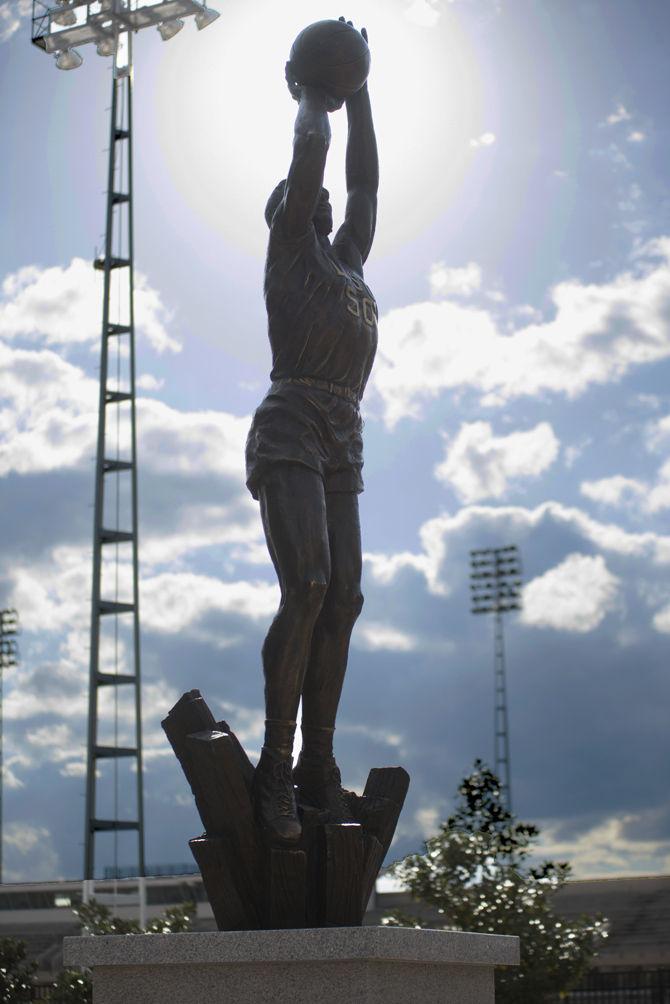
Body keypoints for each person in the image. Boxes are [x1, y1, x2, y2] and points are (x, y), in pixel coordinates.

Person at [246, 20, 379, 842]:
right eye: (304, 196)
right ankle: (273, 768)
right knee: (309, 586)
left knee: (348, 597)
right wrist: (312, 92)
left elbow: (363, 183)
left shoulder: (349, 267)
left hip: (343, 428)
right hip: (292, 417)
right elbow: (314, 155)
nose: (320, 200)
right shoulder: (292, 247)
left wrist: (362, 98)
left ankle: (317, 762)